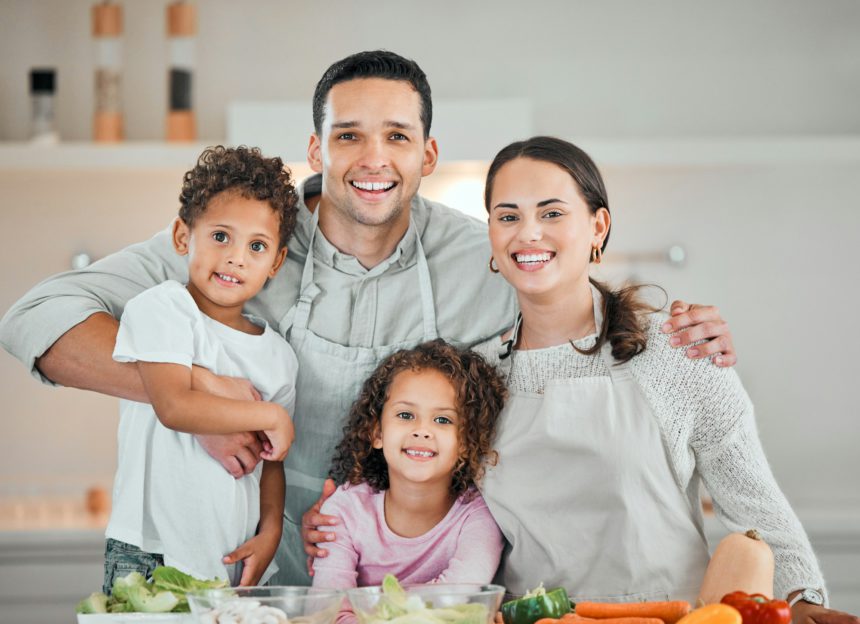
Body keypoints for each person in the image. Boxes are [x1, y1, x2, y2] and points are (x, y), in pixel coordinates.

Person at [0, 51, 737, 586]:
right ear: (316, 149)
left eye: (397, 136)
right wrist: (200, 401)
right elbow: (36, 317)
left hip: (388, 584)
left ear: (428, 154)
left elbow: (581, 305)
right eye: (348, 135)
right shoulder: (241, 241)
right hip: (231, 565)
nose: (372, 158)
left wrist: (684, 329)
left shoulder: (470, 255)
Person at [468, 135, 856, 624]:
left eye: (552, 213)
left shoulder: (678, 351)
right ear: (493, 236)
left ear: (597, 227)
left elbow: (754, 499)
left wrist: (802, 597)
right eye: (508, 216)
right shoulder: (476, 376)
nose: (529, 233)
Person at [104, 145, 299, 590]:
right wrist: (269, 414)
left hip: (230, 554)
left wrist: (270, 531)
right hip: (150, 551)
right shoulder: (163, 308)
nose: (236, 257)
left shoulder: (279, 357)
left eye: (256, 246)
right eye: (220, 236)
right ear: (182, 236)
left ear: (276, 262)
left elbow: (273, 461)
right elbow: (174, 405)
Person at [311, 340, 507, 624]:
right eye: (406, 415)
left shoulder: (479, 517)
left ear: (466, 442)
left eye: (442, 420)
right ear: (376, 432)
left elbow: (460, 595)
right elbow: (329, 613)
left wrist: (375, 621)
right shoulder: (343, 510)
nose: (422, 431)